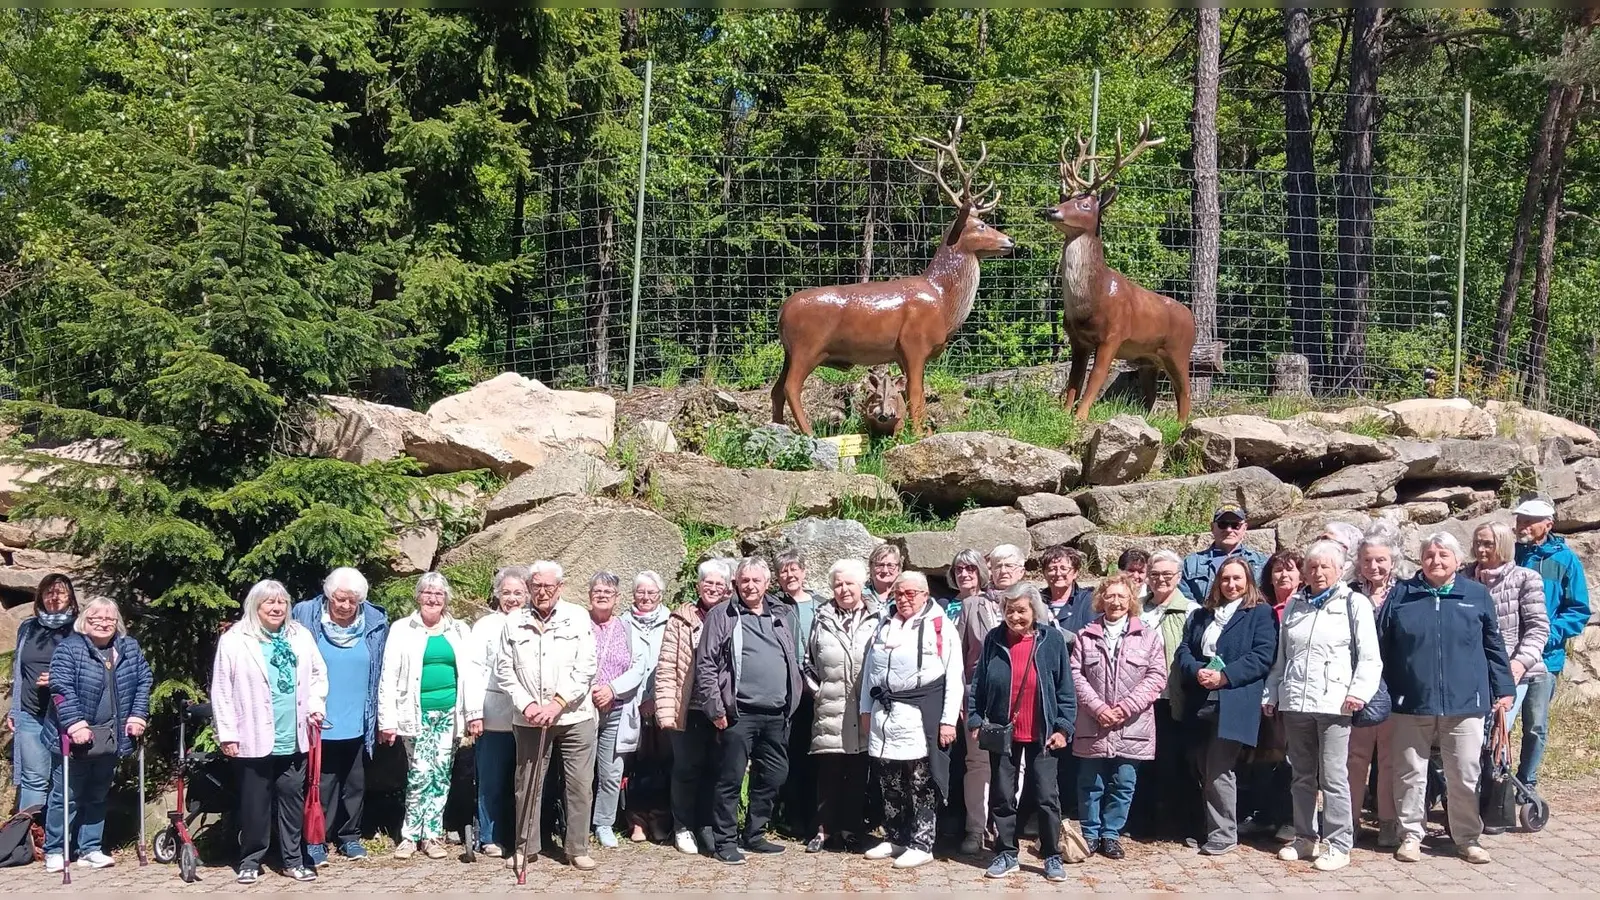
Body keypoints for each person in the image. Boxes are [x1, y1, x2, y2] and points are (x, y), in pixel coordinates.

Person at [1378, 532, 1514, 865]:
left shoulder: (1477, 595)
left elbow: (1493, 646)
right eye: (1429, 555)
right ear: (1421, 559)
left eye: (1443, 555)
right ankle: (1410, 835)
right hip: (1410, 701)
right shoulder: (1401, 595)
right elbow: (1380, 646)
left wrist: (1504, 688)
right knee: (1409, 772)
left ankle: (1467, 838)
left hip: (1466, 702)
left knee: (1465, 773)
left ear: (1456, 560)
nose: (1436, 561)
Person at [1262, 541, 1381, 873]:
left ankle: (1338, 843)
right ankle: (1305, 837)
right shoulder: (1296, 605)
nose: (1317, 572)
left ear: (1340, 570)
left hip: (1335, 704)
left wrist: (1358, 692)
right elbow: (1282, 659)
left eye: (1325, 566)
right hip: (1296, 703)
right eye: (1312, 567)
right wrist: (1272, 693)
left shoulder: (1354, 603)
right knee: (1301, 775)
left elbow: (1370, 658)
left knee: (1333, 777)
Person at [211, 580, 328, 884]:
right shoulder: (236, 639)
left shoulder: (299, 635)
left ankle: (293, 860)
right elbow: (221, 689)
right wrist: (228, 734)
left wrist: (316, 705)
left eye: (282, 603)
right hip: (253, 734)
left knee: (291, 800)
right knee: (255, 804)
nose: (277, 608)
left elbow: (317, 673)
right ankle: (251, 859)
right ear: (255, 606)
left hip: (294, 734)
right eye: (269, 603)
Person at [694, 557, 802, 865]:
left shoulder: (781, 613)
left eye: (757, 580)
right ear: (736, 584)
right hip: (738, 712)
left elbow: (790, 657)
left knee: (775, 775)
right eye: (745, 581)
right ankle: (724, 840)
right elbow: (707, 664)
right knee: (729, 779)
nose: (750, 586)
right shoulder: (722, 614)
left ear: (768, 583)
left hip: (777, 714)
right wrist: (715, 708)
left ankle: (754, 834)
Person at [496, 560, 599, 872]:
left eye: (548, 587)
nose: (542, 592)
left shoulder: (578, 617)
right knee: (527, 784)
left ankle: (577, 848)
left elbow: (587, 666)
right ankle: (525, 847)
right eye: (536, 586)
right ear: (529, 587)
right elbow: (504, 670)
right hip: (529, 718)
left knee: (580, 784)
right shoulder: (513, 622)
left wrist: (557, 703)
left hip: (574, 715)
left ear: (560, 588)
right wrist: (528, 705)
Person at [969, 584, 1074, 882]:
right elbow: (978, 682)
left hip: (1043, 732)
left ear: (1034, 611)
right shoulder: (994, 639)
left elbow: (1066, 688)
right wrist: (976, 717)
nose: (1015, 617)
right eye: (1009, 610)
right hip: (1002, 730)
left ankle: (1052, 854)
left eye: (1021, 610)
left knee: (1046, 796)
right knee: (1002, 795)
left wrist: (1064, 727)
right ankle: (1005, 852)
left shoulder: (1051, 639)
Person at [858, 571, 962, 871]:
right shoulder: (883, 623)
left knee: (920, 781)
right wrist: (866, 709)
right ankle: (896, 836)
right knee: (889, 779)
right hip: (884, 714)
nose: (903, 599)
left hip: (919, 714)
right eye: (899, 593)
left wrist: (947, 721)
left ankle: (922, 842)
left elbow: (954, 676)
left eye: (910, 594)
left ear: (925, 595)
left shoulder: (941, 626)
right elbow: (870, 673)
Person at [1175, 556, 1277, 856]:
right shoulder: (1202, 615)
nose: (1231, 585)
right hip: (1200, 697)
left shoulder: (1260, 613)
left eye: (1237, 579)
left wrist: (1225, 676)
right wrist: (1196, 670)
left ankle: (1224, 833)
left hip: (1234, 699)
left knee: (1219, 768)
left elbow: (1262, 656)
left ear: (1248, 582)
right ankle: (1205, 828)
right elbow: (1184, 649)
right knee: (1200, 765)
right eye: (1225, 579)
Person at [40, 597, 151, 873]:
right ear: (84, 622)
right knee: (66, 795)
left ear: (117, 623)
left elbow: (144, 681)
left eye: (109, 619)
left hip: (111, 736)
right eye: (96, 619)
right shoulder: (70, 648)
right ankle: (56, 848)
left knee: (98, 793)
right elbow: (61, 688)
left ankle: (90, 848)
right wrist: (75, 723)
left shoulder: (129, 648)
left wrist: (138, 715)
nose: (103, 623)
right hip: (73, 736)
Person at [378, 573, 482, 860]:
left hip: (450, 713)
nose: (433, 598)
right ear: (418, 596)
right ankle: (410, 835)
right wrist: (387, 720)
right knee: (419, 773)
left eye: (438, 594)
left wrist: (473, 714)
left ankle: (432, 835)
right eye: (427, 593)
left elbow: (471, 674)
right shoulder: (402, 629)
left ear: (446, 599)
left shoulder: (459, 630)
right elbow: (388, 675)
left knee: (440, 775)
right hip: (414, 713)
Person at [290, 567, 390, 865]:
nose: (346, 606)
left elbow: (383, 668)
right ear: (327, 594)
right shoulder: (305, 616)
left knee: (355, 784)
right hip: (318, 718)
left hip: (360, 717)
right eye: (339, 599)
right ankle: (316, 840)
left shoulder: (375, 622)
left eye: (352, 600)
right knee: (320, 783)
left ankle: (350, 837)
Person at [1072, 575, 1164, 863]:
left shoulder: (1148, 636)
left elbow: (1157, 676)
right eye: (1110, 596)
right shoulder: (1085, 636)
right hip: (1092, 722)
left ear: (1131, 601)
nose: (1115, 602)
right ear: (1101, 600)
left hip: (1132, 724)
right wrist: (1098, 708)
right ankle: (1090, 833)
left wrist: (1125, 708)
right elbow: (1075, 676)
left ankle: (1111, 834)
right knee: (1090, 782)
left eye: (1121, 597)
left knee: (1124, 782)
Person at [802, 558, 881, 853]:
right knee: (828, 774)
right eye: (838, 584)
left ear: (861, 586)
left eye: (850, 583)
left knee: (858, 774)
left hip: (864, 708)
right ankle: (822, 831)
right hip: (830, 707)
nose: (844, 589)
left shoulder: (878, 617)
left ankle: (850, 830)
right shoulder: (821, 618)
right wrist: (818, 690)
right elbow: (808, 662)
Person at [1512, 498, 1591, 790]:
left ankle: (1526, 782)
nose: (1523, 526)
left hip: (1546, 658)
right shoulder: (1509, 553)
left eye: (1530, 521)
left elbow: (1578, 610)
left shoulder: (1564, 560)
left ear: (1548, 524)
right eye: (1520, 520)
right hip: (1507, 655)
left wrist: (1547, 634)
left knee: (1535, 724)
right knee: (1499, 723)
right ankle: (1497, 781)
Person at [655, 559, 730, 856]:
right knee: (686, 769)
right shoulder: (680, 619)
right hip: (688, 709)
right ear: (698, 586)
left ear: (727, 588)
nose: (712, 588)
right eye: (707, 583)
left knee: (716, 769)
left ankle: (706, 825)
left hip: (721, 708)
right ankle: (682, 826)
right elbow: (666, 667)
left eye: (718, 584)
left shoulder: (731, 616)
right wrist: (664, 711)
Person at [1128, 550, 1197, 839]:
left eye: (1167, 575)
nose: (1160, 580)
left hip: (1171, 697)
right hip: (1138, 698)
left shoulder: (1191, 611)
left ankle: (1180, 824)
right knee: (1140, 762)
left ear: (1179, 577)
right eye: (1155, 575)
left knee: (1175, 762)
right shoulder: (1135, 608)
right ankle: (1141, 822)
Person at [466, 566, 530, 858]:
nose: (512, 598)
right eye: (506, 593)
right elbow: (474, 671)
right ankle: (489, 837)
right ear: (497, 595)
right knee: (490, 781)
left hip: (528, 718)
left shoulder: (534, 623)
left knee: (523, 783)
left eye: (518, 592)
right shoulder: (485, 627)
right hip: (493, 715)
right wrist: (473, 712)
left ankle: (521, 836)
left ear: (527, 595)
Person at [1238, 550, 1302, 843]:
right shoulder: (1260, 607)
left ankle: (1290, 818)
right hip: (1262, 694)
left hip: (1294, 693)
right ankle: (1264, 815)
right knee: (1263, 758)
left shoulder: (1303, 606)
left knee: (1291, 760)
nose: (1283, 575)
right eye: (1277, 570)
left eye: (1290, 570)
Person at [1347, 524, 1403, 848]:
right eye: (1368, 561)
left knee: (1390, 759)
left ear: (1392, 561)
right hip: (1358, 688)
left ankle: (1387, 821)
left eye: (1381, 560)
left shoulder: (1404, 592)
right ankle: (1349, 820)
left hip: (1394, 687)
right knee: (1355, 758)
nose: (1374, 567)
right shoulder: (1350, 593)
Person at [590, 571, 651, 849]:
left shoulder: (627, 628)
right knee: (578, 771)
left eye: (608, 592)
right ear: (590, 595)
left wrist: (611, 690)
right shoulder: (579, 623)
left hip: (616, 708)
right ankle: (574, 824)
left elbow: (638, 666)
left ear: (617, 598)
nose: (602, 595)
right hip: (583, 708)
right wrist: (591, 691)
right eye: (597, 591)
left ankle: (604, 823)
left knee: (612, 772)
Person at [9, 574, 78, 816]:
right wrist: (14, 708)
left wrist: (59, 679)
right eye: (48, 592)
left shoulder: (79, 629)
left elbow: (91, 670)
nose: (54, 597)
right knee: (33, 780)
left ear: (70, 597)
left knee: (65, 779)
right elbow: (20, 670)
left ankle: (59, 840)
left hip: (68, 717)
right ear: (40, 597)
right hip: (31, 714)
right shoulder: (27, 628)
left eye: (60, 592)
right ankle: (26, 839)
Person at [1465, 522, 1549, 715]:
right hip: (1472, 672)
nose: (1480, 549)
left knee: (1499, 733)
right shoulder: (1463, 579)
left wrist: (1519, 664)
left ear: (1503, 545)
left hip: (1513, 669)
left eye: (1488, 544)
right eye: (1477, 543)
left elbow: (1538, 627)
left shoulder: (1526, 579)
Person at [772, 547, 823, 841]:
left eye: (794, 569)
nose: (789, 575)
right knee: (790, 753)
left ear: (803, 571)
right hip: (787, 688)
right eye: (783, 571)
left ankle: (816, 816)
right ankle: (793, 817)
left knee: (816, 754)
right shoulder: (776, 605)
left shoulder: (820, 604)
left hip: (817, 687)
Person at [620, 570, 672, 843]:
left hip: (662, 703)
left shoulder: (671, 621)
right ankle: (636, 821)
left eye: (652, 593)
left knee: (663, 764)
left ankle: (660, 818)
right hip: (628, 703)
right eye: (641, 592)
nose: (646, 597)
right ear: (633, 594)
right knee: (634, 766)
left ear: (661, 595)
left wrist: (654, 697)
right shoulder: (622, 623)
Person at [953, 547, 995, 855]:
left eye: (971, 568)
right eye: (959, 569)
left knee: (1011, 764)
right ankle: (975, 828)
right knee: (976, 762)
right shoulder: (959, 606)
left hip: (1008, 696)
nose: (965, 574)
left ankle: (1004, 825)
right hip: (973, 695)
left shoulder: (1007, 602)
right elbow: (958, 658)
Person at [1179, 505, 1268, 603]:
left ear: (1244, 528)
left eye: (1235, 525)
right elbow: (1185, 600)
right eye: (1223, 524)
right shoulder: (1191, 563)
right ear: (1212, 527)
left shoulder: (1261, 563)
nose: (1229, 530)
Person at [1041, 545, 1095, 637]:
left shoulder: (1088, 600)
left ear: (1075, 573)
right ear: (1044, 573)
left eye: (1064, 569)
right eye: (1052, 569)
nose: (1058, 574)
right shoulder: (1036, 601)